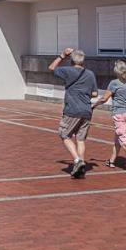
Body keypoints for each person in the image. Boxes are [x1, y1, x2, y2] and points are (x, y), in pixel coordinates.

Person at [48, 48, 97, 178]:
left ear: (72, 60)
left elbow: (52, 67)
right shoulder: (90, 74)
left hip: (72, 110)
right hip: (86, 110)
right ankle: (81, 166)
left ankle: (77, 160)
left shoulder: (68, 71)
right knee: (80, 139)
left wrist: (62, 55)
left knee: (64, 134)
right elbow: (95, 93)